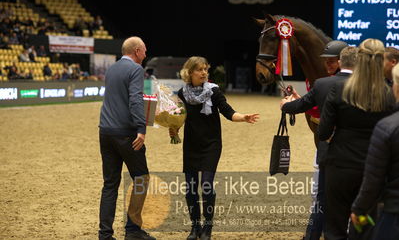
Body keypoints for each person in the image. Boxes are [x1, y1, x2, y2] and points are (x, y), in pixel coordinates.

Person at [174, 56, 259, 240]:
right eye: (199, 69)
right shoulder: (182, 94)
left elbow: (228, 112)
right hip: (191, 146)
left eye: (205, 69)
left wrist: (243, 117)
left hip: (211, 145)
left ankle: (208, 226)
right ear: (190, 73)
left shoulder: (213, 91)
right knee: (190, 188)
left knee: (206, 185)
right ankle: (195, 227)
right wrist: (173, 128)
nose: (204, 72)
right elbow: (178, 117)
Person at [318, 38, 396, 240]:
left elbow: (323, 133)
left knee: (334, 227)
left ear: (359, 60)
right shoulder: (389, 96)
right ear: (381, 60)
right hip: (372, 173)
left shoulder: (339, 90)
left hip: (340, 169)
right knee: (364, 227)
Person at [280, 45, 354, 240]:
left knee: (322, 198)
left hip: (329, 149)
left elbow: (315, 111)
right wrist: (302, 100)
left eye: (331, 60)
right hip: (355, 152)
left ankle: (313, 236)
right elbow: (316, 108)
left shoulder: (321, 84)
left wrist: (287, 104)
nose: (327, 63)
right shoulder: (366, 85)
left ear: (341, 61)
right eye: (325, 60)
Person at [98, 36, 155, 240]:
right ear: (137, 51)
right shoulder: (136, 70)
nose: (146, 54)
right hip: (126, 133)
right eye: (145, 50)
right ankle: (132, 230)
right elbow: (135, 99)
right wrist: (142, 128)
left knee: (110, 184)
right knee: (141, 178)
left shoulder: (112, 68)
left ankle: (104, 234)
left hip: (105, 131)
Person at [351, 63, 399, 240]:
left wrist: (359, 207)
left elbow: (374, 177)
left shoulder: (387, 127)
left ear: (397, 86)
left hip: (394, 212)